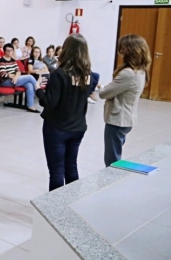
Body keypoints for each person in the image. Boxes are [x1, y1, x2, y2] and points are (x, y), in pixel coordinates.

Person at [35, 34, 91, 191]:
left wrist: (39, 90)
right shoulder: (87, 74)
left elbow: (49, 103)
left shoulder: (59, 74)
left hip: (57, 128)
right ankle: (72, 204)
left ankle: (54, 211)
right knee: (71, 166)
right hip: (78, 127)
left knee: (57, 171)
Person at [100, 35, 150, 166]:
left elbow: (104, 93)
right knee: (115, 154)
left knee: (112, 160)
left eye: (122, 48)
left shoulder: (128, 73)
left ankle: (111, 182)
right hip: (127, 118)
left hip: (118, 120)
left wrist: (101, 88)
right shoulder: (140, 71)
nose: (120, 51)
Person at [0, 44, 39, 112]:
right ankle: (39, 91)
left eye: (11, 50)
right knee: (30, 77)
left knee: (29, 85)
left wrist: (16, 77)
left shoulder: (13, 60)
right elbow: (3, 74)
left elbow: (18, 71)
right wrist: (15, 76)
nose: (9, 52)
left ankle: (30, 106)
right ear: (4, 51)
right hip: (6, 81)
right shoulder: (2, 60)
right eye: (7, 50)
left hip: (15, 79)